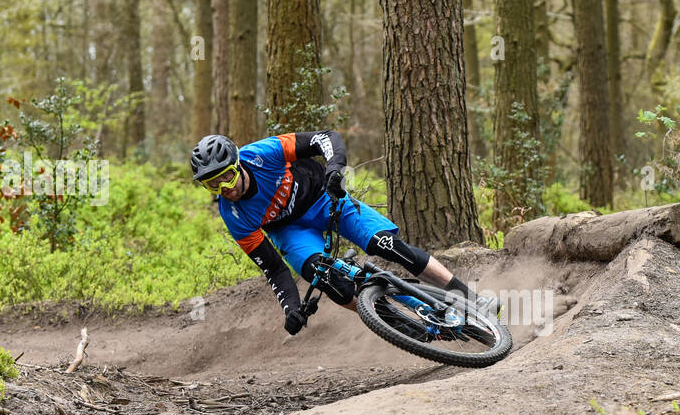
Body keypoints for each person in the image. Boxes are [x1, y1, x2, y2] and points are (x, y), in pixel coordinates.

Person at [190, 131, 484, 335]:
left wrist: (334, 169)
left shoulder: (263, 154)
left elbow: (325, 138)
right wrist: (291, 307)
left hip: (323, 199)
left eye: (226, 178)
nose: (224, 190)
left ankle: (468, 297)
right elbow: (275, 270)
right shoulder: (235, 217)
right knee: (326, 277)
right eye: (212, 186)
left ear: (238, 164)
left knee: (387, 245)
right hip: (291, 232)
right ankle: (400, 326)